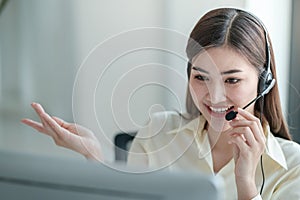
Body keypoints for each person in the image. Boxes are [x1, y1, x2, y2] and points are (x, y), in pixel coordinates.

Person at [22, 8, 300, 200]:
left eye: (232, 81)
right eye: (201, 77)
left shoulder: (293, 165)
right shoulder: (160, 131)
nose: (214, 97)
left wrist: (246, 185)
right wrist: (95, 157)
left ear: (263, 82)